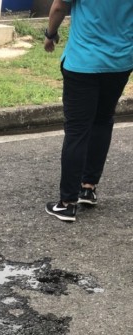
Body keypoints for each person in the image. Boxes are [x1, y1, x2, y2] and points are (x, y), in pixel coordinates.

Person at [44, 0, 133, 222]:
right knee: (103, 120)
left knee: (77, 130)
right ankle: (88, 188)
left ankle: (67, 203)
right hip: (120, 61)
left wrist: (50, 34)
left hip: (83, 62)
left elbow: (58, 7)